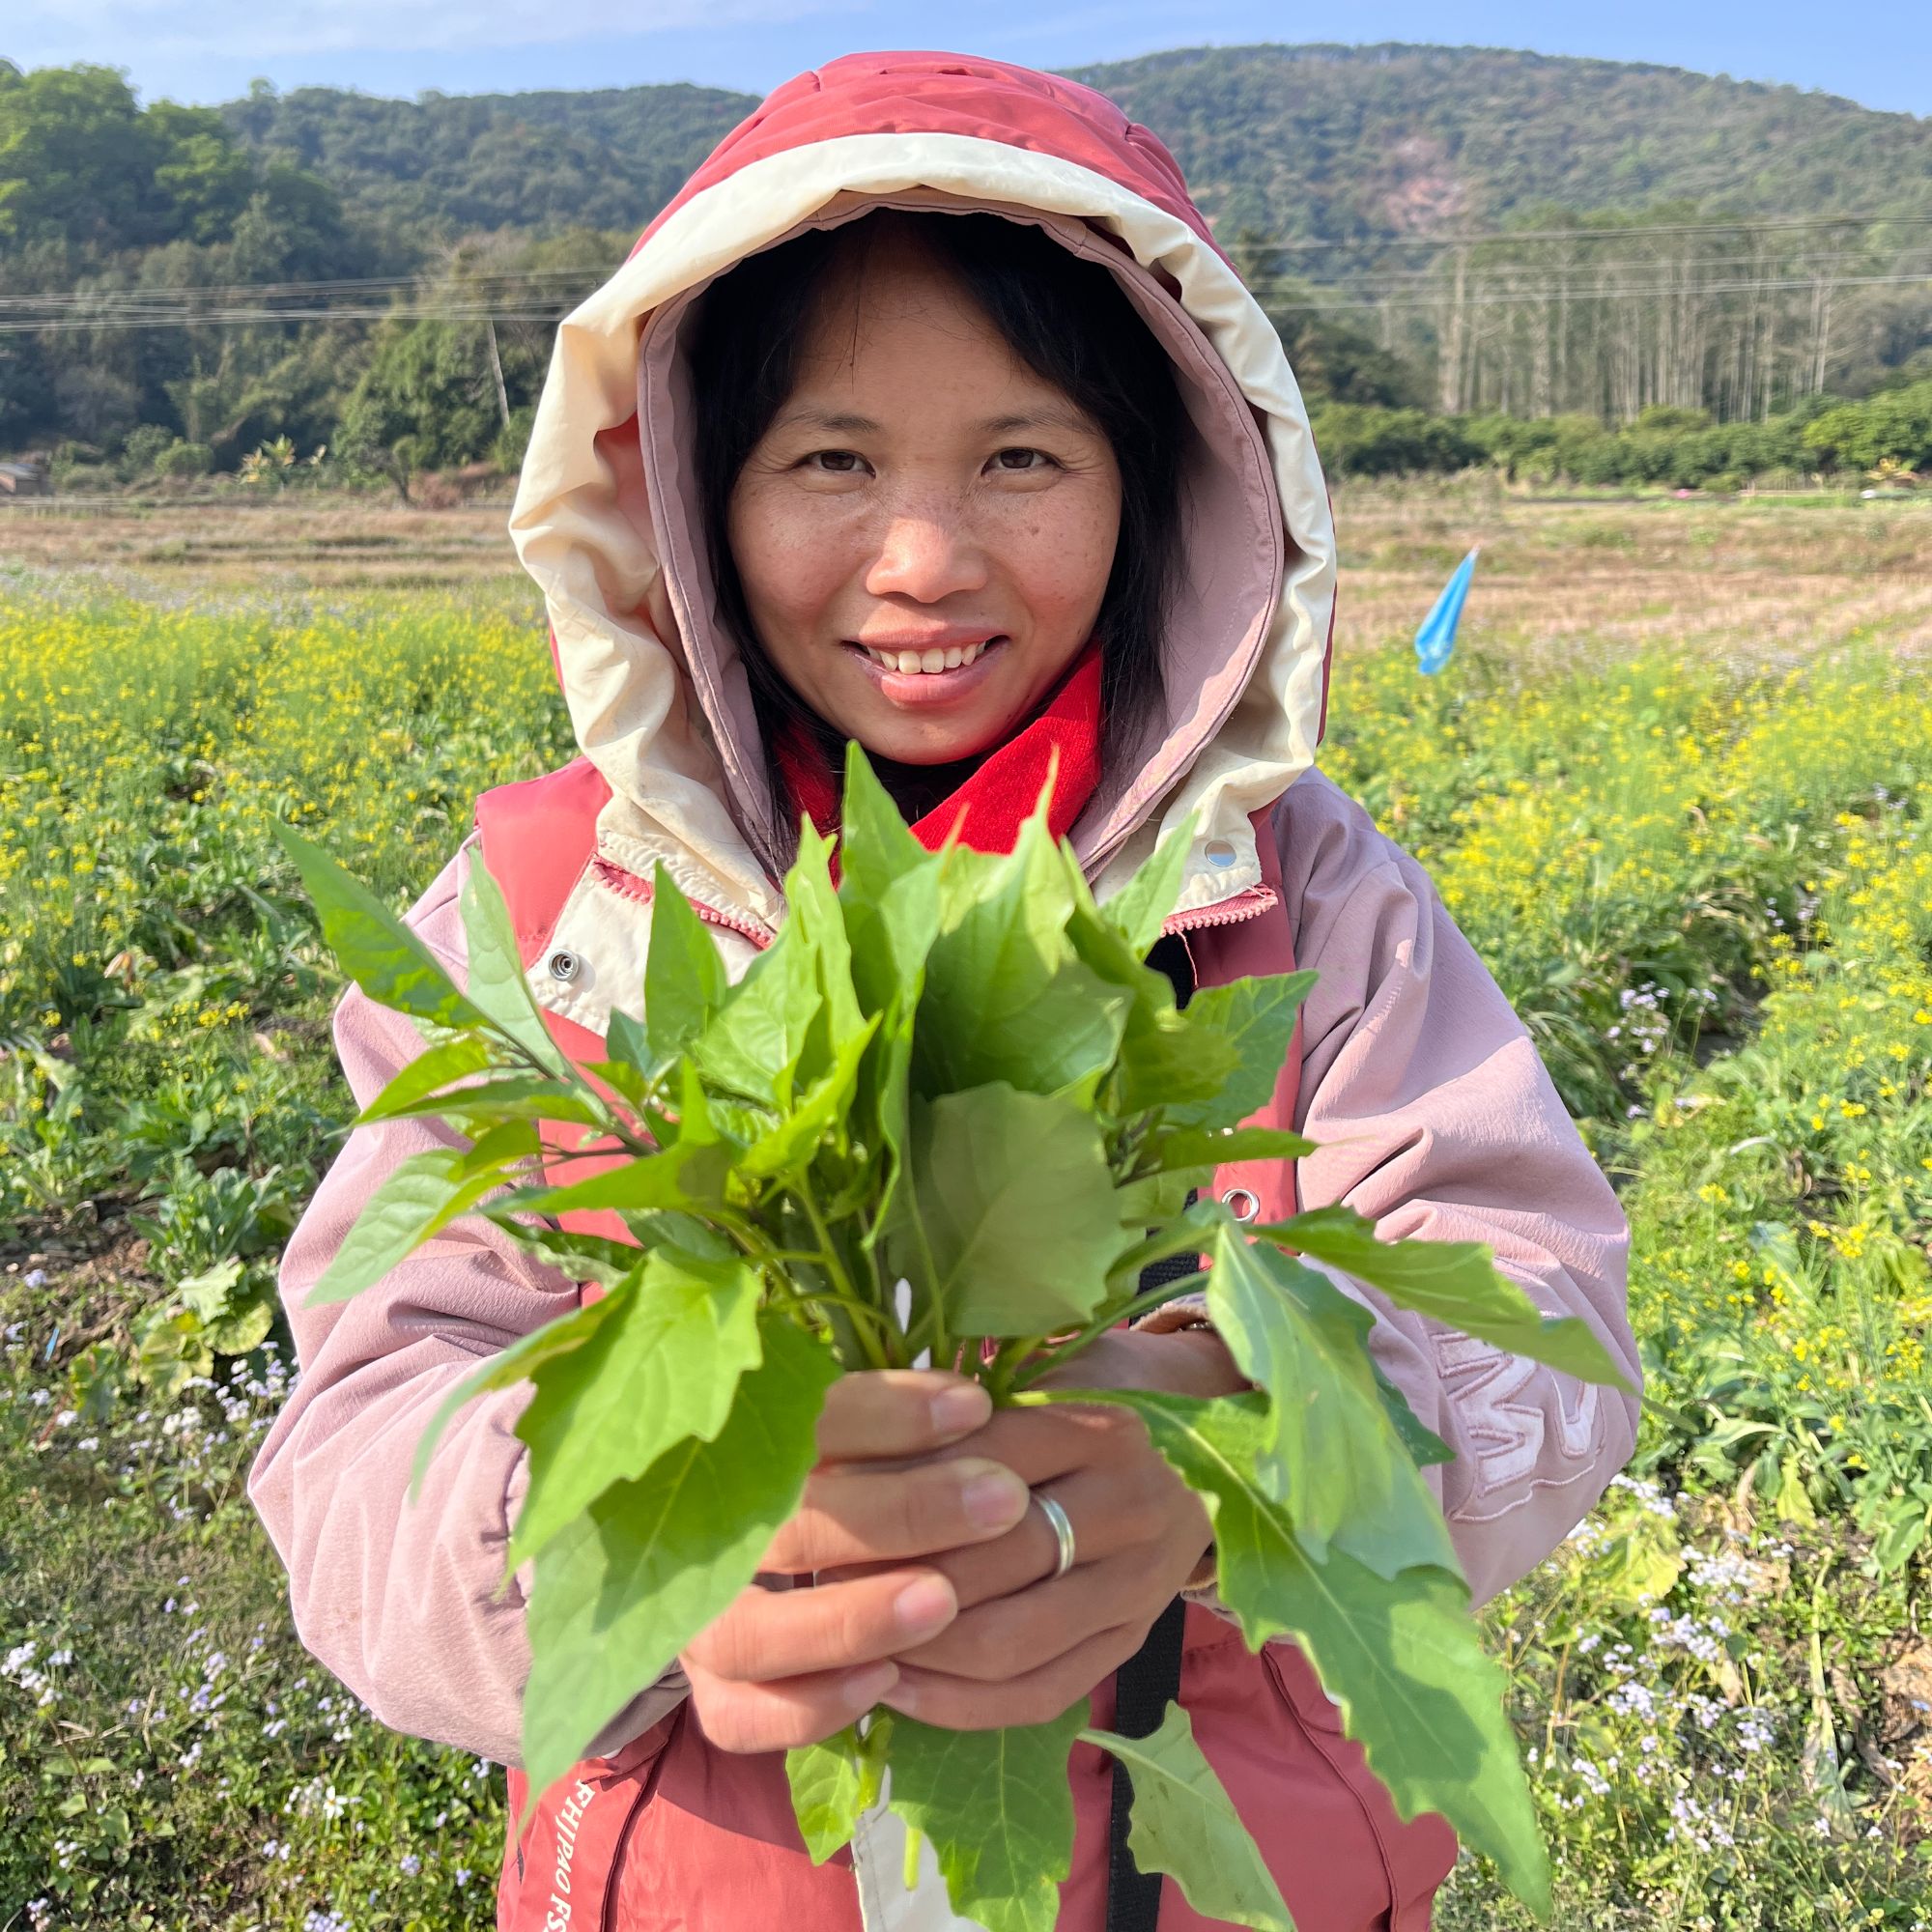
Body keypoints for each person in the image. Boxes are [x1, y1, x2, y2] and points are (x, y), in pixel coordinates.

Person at [247, 50, 1640, 1932]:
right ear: (691, 500)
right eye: (830, 459)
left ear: (1157, 489)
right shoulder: (547, 918)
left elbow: (1543, 1320)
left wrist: (1236, 1444)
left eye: (1021, 457)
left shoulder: (1304, 894)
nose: (923, 560)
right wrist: (638, 1555)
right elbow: (359, 1440)